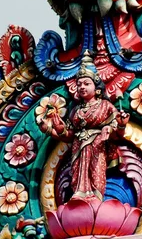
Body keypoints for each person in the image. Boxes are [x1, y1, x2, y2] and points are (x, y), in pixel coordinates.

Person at [38, 52, 129, 201]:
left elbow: (115, 128)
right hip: (78, 146)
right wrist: (50, 128)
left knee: (96, 172)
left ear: (96, 87)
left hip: (98, 145)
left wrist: (118, 125)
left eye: (87, 84)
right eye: (79, 84)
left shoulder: (105, 105)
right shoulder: (75, 110)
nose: (82, 87)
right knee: (77, 175)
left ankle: (96, 199)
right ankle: (79, 197)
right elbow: (68, 135)